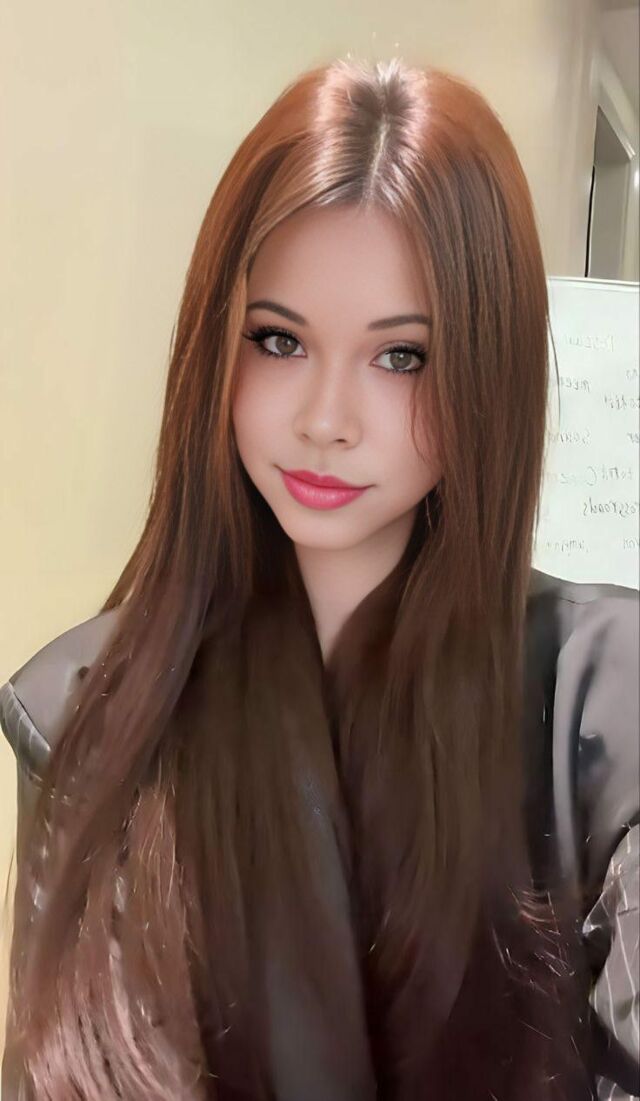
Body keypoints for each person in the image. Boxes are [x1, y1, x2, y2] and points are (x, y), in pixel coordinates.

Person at [1, 56, 638, 1101]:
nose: (325, 419)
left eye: (401, 357)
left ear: (488, 371)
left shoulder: (607, 703)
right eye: (279, 340)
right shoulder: (92, 709)